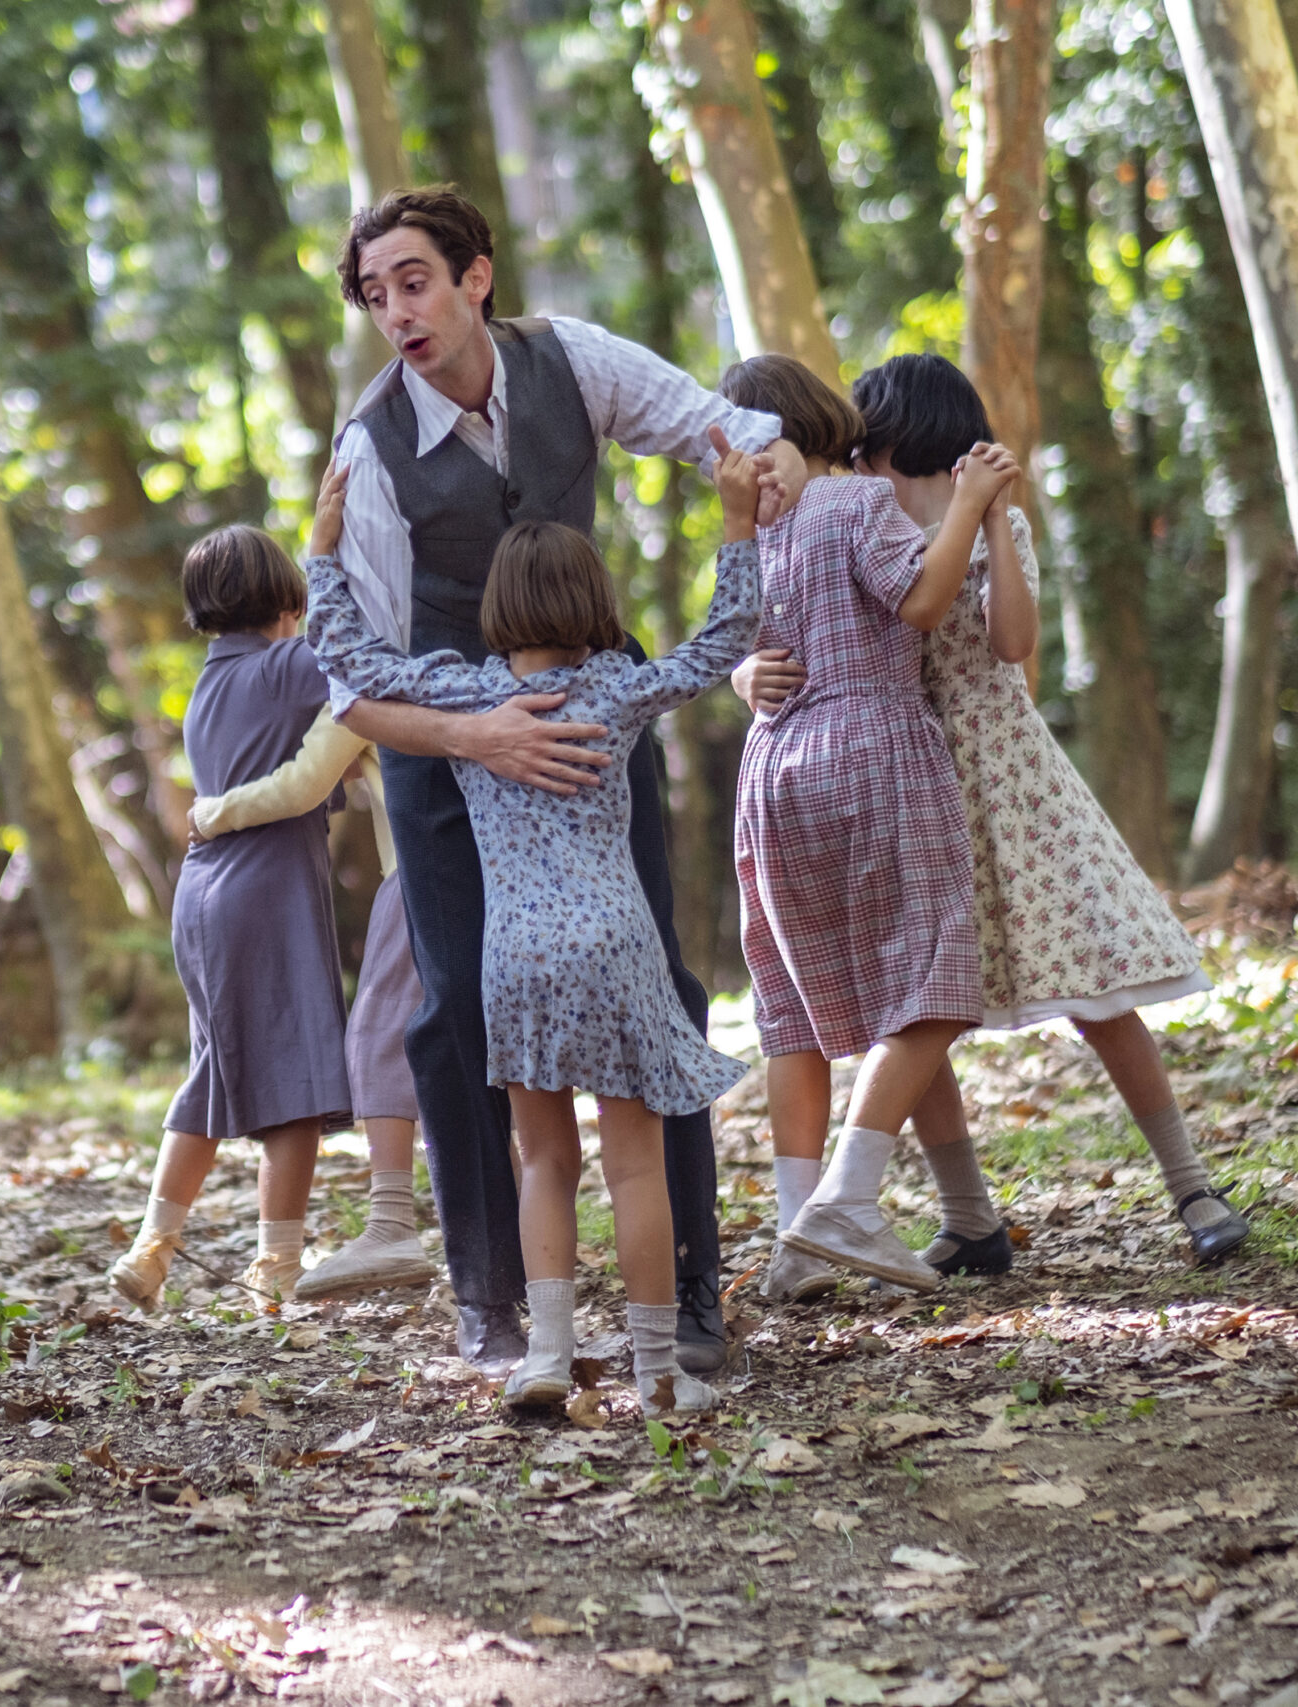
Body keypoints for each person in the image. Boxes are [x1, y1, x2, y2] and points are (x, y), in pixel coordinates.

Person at [317, 185, 807, 1372]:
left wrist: (770, 453)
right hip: (446, 745)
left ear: (475, 276)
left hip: (589, 729)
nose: (396, 313)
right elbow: (353, 689)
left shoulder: (569, 360)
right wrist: (483, 738)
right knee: (457, 1016)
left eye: (414, 282)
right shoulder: (369, 453)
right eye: (375, 296)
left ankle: (687, 1301)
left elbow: (714, 426)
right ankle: (497, 1309)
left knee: (659, 988)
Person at [737, 354, 1245, 1273]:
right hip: (896, 783)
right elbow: (794, 631)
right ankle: (970, 1217)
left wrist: (992, 521)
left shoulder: (985, 517)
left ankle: (1192, 1184)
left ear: (899, 437)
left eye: (870, 444)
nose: (858, 463)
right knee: (913, 1006)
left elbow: (1011, 643)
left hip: (1006, 777)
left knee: (1098, 986)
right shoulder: (856, 515)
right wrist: (745, 673)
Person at [310, 435, 763, 1413]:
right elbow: (725, 639)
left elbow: (346, 661)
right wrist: (734, 523)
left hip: (512, 955)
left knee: (546, 1161)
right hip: (614, 948)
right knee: (633, 1161)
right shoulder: (618, 691)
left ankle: (547, 1357)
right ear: (593, 602)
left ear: (495, 613)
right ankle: (656, 1377)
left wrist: (322, 549)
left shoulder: (468, 698)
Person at [716, 355, 1012, 1295]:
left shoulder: (750, 534)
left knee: (791, 1012)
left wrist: (736, 678)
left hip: (771, 777)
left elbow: (728, 646)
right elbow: (921, 602)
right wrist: (968, 504)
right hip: (870, 746)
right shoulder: (852, 503)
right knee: (930, 983)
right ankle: (846, 1199)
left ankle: (792, 1242)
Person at [107, 526, 356, 1309]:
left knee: (216, 1067)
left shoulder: (208, 687)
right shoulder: (290, 668)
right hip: (268, 887)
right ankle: (276, 1267)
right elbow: (359, 646)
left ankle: (152, 1248)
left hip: (202, 892)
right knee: (295, 1081)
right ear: (287, 599)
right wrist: (331, 544)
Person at [191, 715, 438, 1303]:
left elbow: (301, 782)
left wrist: (212, 813)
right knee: (472, 1049)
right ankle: (503, 1229)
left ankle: (392, 1223)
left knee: (378, 1039)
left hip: (422, 874)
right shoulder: (478, 657)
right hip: (511, 870)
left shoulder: (365, 672)